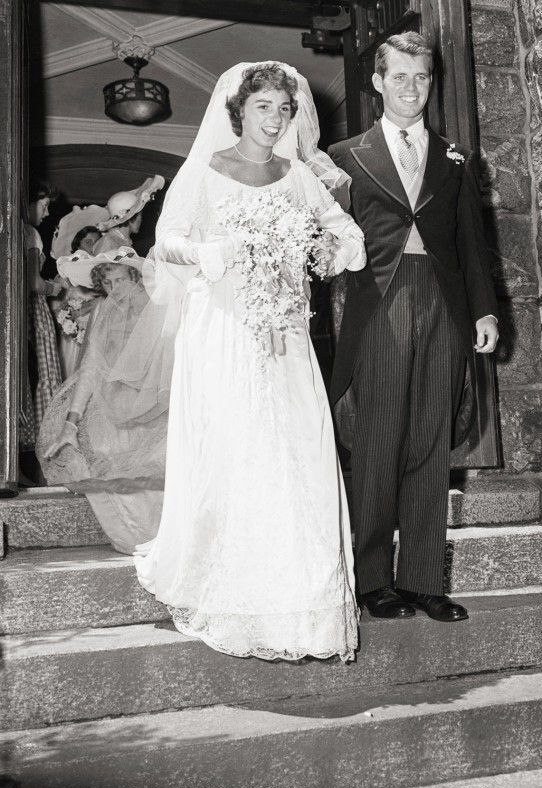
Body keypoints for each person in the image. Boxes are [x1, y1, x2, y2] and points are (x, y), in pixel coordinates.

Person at [133, 62, 365, 662]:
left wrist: (330, 250)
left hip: (286, 332)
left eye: (284, 109)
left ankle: (301, 599)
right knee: (237, 446)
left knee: (296, 449)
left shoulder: (296, 176)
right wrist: (218, 250)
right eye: (264, 106)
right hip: (224, 328)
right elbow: (168, 241)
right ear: (239, 112)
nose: (276, 119)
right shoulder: (206, 170)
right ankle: (230, 583)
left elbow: (343, 231)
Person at [328, 32, 499, 622]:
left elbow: (473, 245)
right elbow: (328, 246)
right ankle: (373, 579)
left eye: (422, 77)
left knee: (430, 440)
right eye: (399, 76)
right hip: (379, 301)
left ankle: (425, 580)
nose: (411, 88)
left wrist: (484, 309)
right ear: (377, 81)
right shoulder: (344, 156)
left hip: (445, 304)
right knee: (379, 439)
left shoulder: (455, 158)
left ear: (432, 81)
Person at [39, 247, 170, 554]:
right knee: (101, 454)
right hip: (112, 404)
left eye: (121, 280)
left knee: (156, 470)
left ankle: (163, 540)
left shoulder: (159, 307)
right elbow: (91, 366)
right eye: (108, 284)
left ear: (136, 277)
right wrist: (71, 421)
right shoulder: (104, 309)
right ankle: (135, 540)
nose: (115, 290)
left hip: (157, 405)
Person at [24, 180, 64, 443]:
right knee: (41, 369)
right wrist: (55, 287)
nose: (47, 213)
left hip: (22, 308)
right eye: (45, 206)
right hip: (32, 309)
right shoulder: (29, 232)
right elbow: (35, 284)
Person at [50, 206, 110, 378]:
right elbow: (55, 305)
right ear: (78, 245)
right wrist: (71, 318)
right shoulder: (66, 272)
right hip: (71, 337)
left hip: (95, 336)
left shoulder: (103, 274)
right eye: (88, 242)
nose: (93, 248)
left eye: (96, 243)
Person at [94, 176, 164, 254]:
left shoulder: (123, 240)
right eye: (140, 215)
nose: (141, 219)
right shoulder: (108, 241)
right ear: (132, 217)